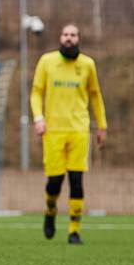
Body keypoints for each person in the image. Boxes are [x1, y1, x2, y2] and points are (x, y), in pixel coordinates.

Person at [30, 23, 107, 245]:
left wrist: (102, 126)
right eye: (65, 34)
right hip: (53, 130)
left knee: (76, 180)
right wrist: (38, 118)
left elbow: (95, 96)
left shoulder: (87, 65)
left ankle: (74, 230)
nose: (69, 38)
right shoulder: (47, 61)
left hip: (79, 130)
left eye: (73, 35)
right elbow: (36, 92)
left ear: (79, 39)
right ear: (60, 37)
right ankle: (50, 210)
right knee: (54, 182)